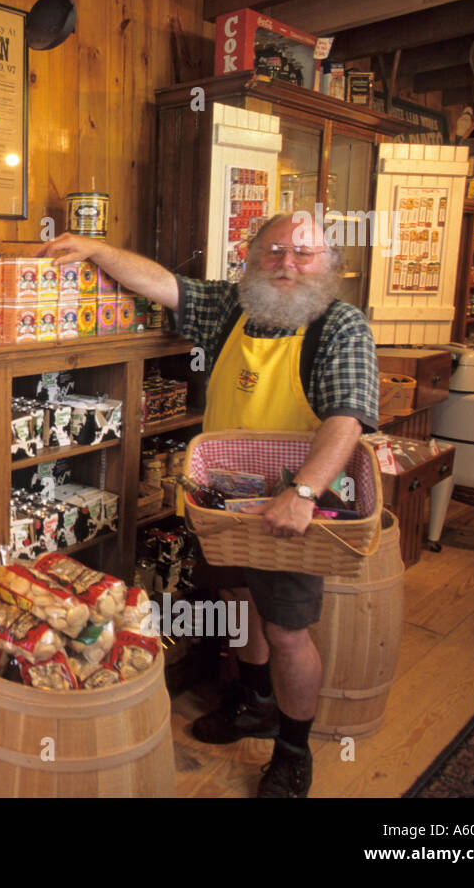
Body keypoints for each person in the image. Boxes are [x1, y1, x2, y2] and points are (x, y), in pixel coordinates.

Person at [39, 214, 379, 797]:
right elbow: (161, 283)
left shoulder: (341, 327)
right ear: (251, 257)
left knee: (289, 630)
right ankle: (256, 701)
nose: (287, 263)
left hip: (295, 509)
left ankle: (294, 753)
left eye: (304, 253)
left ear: (330, 267)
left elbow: (347, 418)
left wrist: (302, 492)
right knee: (237, 601)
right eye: (274, 250)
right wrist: (96, 247)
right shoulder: (233, 308)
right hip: (221, 503)